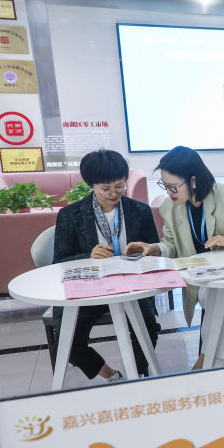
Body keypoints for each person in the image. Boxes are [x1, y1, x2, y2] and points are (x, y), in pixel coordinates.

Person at [125, 146, 224, 370]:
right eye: (164, 186)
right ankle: (210, 365)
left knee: (220, 303)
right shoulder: (170, 207)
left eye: (173, 186)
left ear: (193, 180)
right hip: (206, 280)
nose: (169, 192)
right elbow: (171, 244)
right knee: (213, 301)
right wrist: (153, 248)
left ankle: (205, 363)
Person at [53, 148, 160, 381]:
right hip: (90, 288)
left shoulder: (140, 211)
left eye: (119, 186)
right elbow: (59, 261)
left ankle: (138, 375)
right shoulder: (70, 215)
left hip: (132, 285)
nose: (114, 193)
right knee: (66, 338)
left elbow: (155, 249)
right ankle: (111, 376)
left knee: (148, 326)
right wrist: (87, 256)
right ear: (91, 184)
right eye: (106, 189)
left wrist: (147, 249)